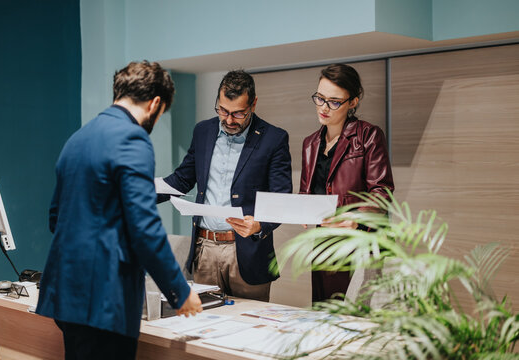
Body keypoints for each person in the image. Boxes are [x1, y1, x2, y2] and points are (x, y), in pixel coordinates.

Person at [36, 61, 202, 360]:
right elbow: (144, 228)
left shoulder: (78, 139)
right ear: (155, 104)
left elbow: (55, 218)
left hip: (68, 295)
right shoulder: (132, 138)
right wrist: (179, 290)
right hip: (104, 299)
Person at [160, 70, 292, 302]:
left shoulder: (274, 138)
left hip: (247, 251)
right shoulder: (203, 131)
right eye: (223, 110)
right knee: (204, 327)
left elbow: (281, 198)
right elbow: (181, 180)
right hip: (205, 249)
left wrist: (260, 225)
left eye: (238, 113)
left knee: (250, 326)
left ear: (253, 104)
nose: (229, 120)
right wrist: (134, 194)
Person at [299, 63, 394, 302]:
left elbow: (382, 191)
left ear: (352, 102)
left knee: (355, 321)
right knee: (323, 315)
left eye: (334, 102)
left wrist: (356, 219)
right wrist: (300, 210)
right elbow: (306, 193)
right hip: (323, 244)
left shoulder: (368, 136)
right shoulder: (310, 143)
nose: (324, 108)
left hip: (359, 243)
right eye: (320, 98)